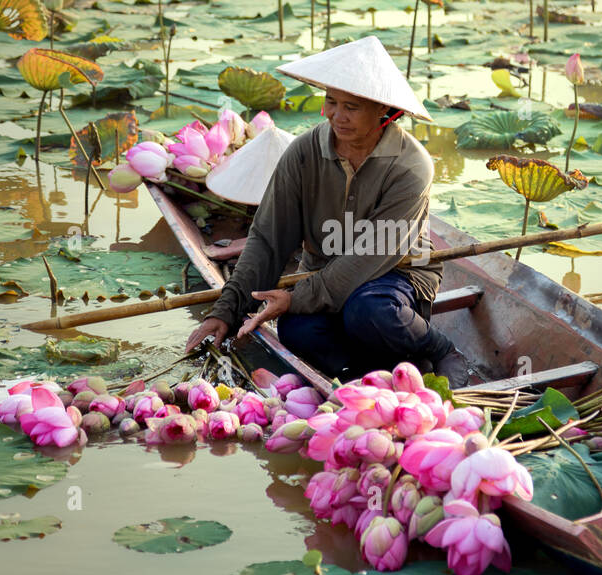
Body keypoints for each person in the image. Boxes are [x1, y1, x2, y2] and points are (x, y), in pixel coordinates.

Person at [184, 37, 471, 383]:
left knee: (369, 311)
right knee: (297, 330)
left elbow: (367, 257)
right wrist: (227, 311)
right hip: (321, 269)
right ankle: (368, 378)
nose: (337, 115)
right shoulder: (304, 152)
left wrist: (293, 298)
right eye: (331, 102)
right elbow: (268, 239)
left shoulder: (411, 166)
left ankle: (438, 349)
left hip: (396, 272)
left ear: (384, 111)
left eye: (351, 107)